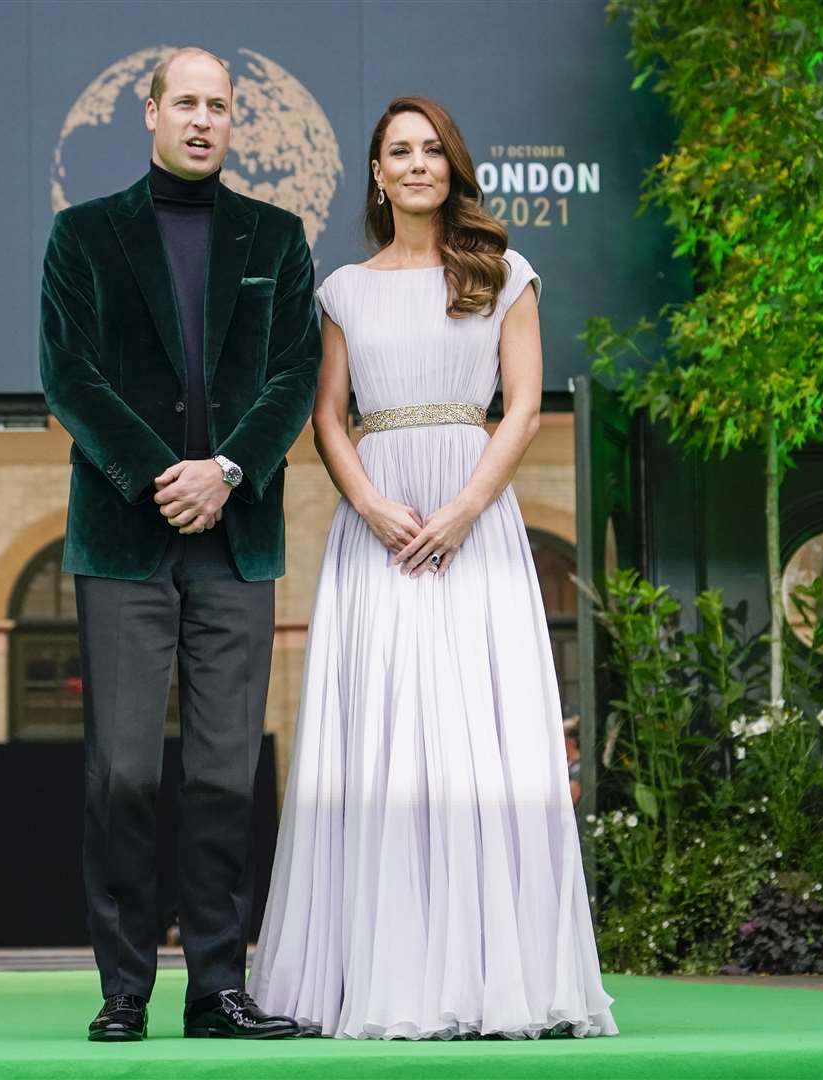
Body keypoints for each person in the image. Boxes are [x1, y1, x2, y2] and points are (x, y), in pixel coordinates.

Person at [248, 96, 618, 1040]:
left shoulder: (504, 274)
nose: (416, 165)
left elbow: (526, 409)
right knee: (382, 736)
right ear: (376, 173)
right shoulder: (341, 290)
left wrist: (460, 513)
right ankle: (379, 979)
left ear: (452, 166)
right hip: (375, 527)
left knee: (474, 737)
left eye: (430, 151)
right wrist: (370, 503)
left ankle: (500, 981)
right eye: (398, 152)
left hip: (475, 520)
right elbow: (327, 415)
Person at [39, 46, 319, 1042]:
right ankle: (123, 994)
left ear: (233, 121)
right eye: (185, 102)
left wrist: (228, 471)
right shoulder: (82, 235)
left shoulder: (278, 238)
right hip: (124, 538)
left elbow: (293, 378)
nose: (202, 119)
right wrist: (169, 474)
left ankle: (217, 992)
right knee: (120, 771)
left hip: (238, 541)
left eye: (220, 105)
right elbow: (70, 378)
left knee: (221, 775)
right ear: (148, 113)